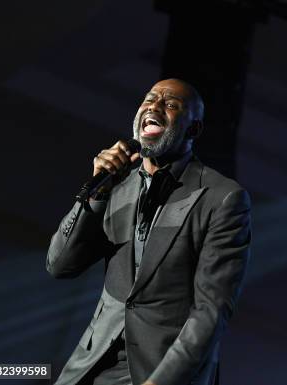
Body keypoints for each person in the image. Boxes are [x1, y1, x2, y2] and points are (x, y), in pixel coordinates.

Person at [46, 78, 251, 385]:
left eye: (170, 104)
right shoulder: (117, 185)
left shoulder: (221, 197)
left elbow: (212, 308)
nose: (154, 106)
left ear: (193, 130)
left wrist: (161, 381)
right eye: (149, 99)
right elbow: (59, 265)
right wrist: (97, 191)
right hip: (93, 368)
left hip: (162, 371)